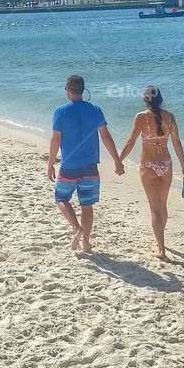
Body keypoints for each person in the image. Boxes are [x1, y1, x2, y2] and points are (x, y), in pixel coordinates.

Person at [48, 75, 124, 252]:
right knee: (87, 205)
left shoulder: (60, 111)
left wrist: (51, 163)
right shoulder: (95, 110)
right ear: (83, 90)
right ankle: (86, 243)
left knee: (61, 197)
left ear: (67, 90)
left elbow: (55, 139)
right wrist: (117, 160)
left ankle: (76, 228)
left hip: (69, 167)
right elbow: (106, 136)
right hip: (90, 167)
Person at [118, 86, 184, 259]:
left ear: (145, 100)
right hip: (166, 163)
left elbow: (130, 142)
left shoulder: (141, 117)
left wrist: (118, 160)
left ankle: (161, 249)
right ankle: (160, 239)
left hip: (148, 165)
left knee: (154, 209)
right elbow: (177, 143)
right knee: (162, 206)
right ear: (161, 99)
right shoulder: (170, 117)